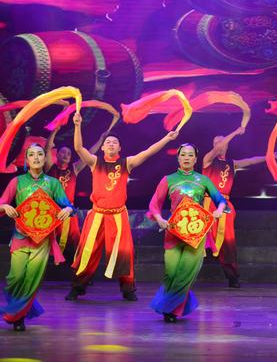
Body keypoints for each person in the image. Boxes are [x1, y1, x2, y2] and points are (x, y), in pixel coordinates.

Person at [66, 112, 178, 302]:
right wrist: (77, 125)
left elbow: (148, 152)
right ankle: (78, 287)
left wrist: (167, 138)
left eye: (114, 142)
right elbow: (78, 147)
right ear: (102, 147)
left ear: (119, 147)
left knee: (124, 253)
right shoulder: (95, 162)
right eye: (108, 142)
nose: (111, 144)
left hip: (118, 215)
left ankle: (128, 289)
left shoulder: (126, 163)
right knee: (87, 251)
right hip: (97, 215)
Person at [148, 144, 226, 322]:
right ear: (178, 158)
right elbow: (154, 204)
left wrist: (219, 210)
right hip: (173, 232)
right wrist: (159, 219)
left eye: (190, 155)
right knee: (171, 272)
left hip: (195, 234)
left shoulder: (203, 180)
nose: (186, 158)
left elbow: (220, 200)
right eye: (183, 155)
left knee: (185, 272)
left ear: (195, 159)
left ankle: (170, 310)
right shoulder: (168, 180)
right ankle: (177, 305)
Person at [0, 144, 74, 331]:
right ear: (26, 160)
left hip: (42, 239)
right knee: (15, 278)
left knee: (31, 279)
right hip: (20, 236)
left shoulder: (53, 183)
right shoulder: (17, 182)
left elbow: (68, 205)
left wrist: (67, 209)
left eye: (40, 154)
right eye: (31, 155)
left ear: (45, 158)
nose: (36, 158)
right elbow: (2, 202)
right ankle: (18, 309)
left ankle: (17, 317)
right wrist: (5, 207)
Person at [201, 126, 277, 288]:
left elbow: (251, 160)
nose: (218, 144)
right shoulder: (207, 160)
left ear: (227, 145)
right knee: (196, 238)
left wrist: (269, 157)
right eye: (215, 142)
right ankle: (185, 275)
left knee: (228, 242)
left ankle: (232, 276)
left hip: (225, 206)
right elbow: (218, 148)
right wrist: (235, 132)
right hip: (207, 204)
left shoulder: (232, 164)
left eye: (221, 142)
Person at [44, 125, 109, 255]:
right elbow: (47, 149)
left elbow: (89, 154)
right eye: (63, 152)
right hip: (51, 210)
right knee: (50, 239)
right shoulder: (50, 167)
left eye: (68, 153)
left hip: (68, 210)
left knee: (74, 236)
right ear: (57, 154)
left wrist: (101, 140)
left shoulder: (74, 169)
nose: (66, 155)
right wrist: (55, 131)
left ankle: (75, 262)